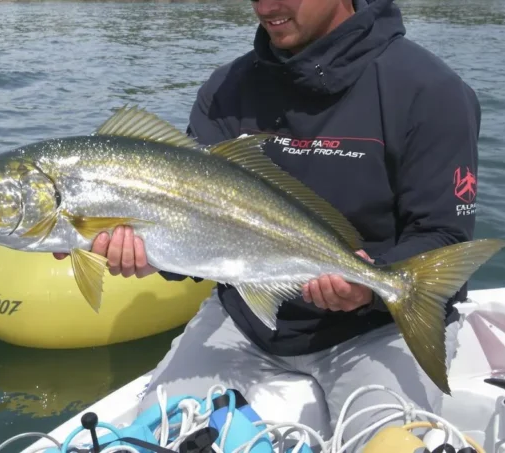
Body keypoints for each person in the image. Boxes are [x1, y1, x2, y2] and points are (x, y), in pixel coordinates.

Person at [55, 0, 480, 448]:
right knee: (158, 438)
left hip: (375, 330)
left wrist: (371, 286)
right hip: (244, 320)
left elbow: (444, 234)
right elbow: (196, 232)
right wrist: (151, 254)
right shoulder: (226, 89)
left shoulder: (430, 91)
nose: (267, 5)